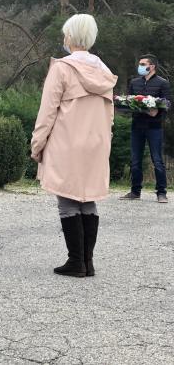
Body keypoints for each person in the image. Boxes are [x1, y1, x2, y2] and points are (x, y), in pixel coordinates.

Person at [31, 14, 117, 277]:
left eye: (65, 34)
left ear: (70, 37)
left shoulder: (62, 68)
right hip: (96, 144)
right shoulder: (104, 71)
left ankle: (75, 261)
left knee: (68, 201)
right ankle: (87, 262)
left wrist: (37, 144)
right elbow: (110, 114)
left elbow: (48, 111)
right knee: (88, 201)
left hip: (67, 142)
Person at [119, 54, 171, 203]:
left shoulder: (163, 83)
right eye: (140, 64)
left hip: (154, 127)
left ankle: (161, 193)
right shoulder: (134, 82)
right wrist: (129, 107)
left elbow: (168, 104)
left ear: (152, 66)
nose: (140, 67)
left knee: (157, 160)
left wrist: (157, 111)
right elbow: (129, 102)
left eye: (143, 64)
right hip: (137, 126)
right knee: (135, 160)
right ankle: (135, 191)